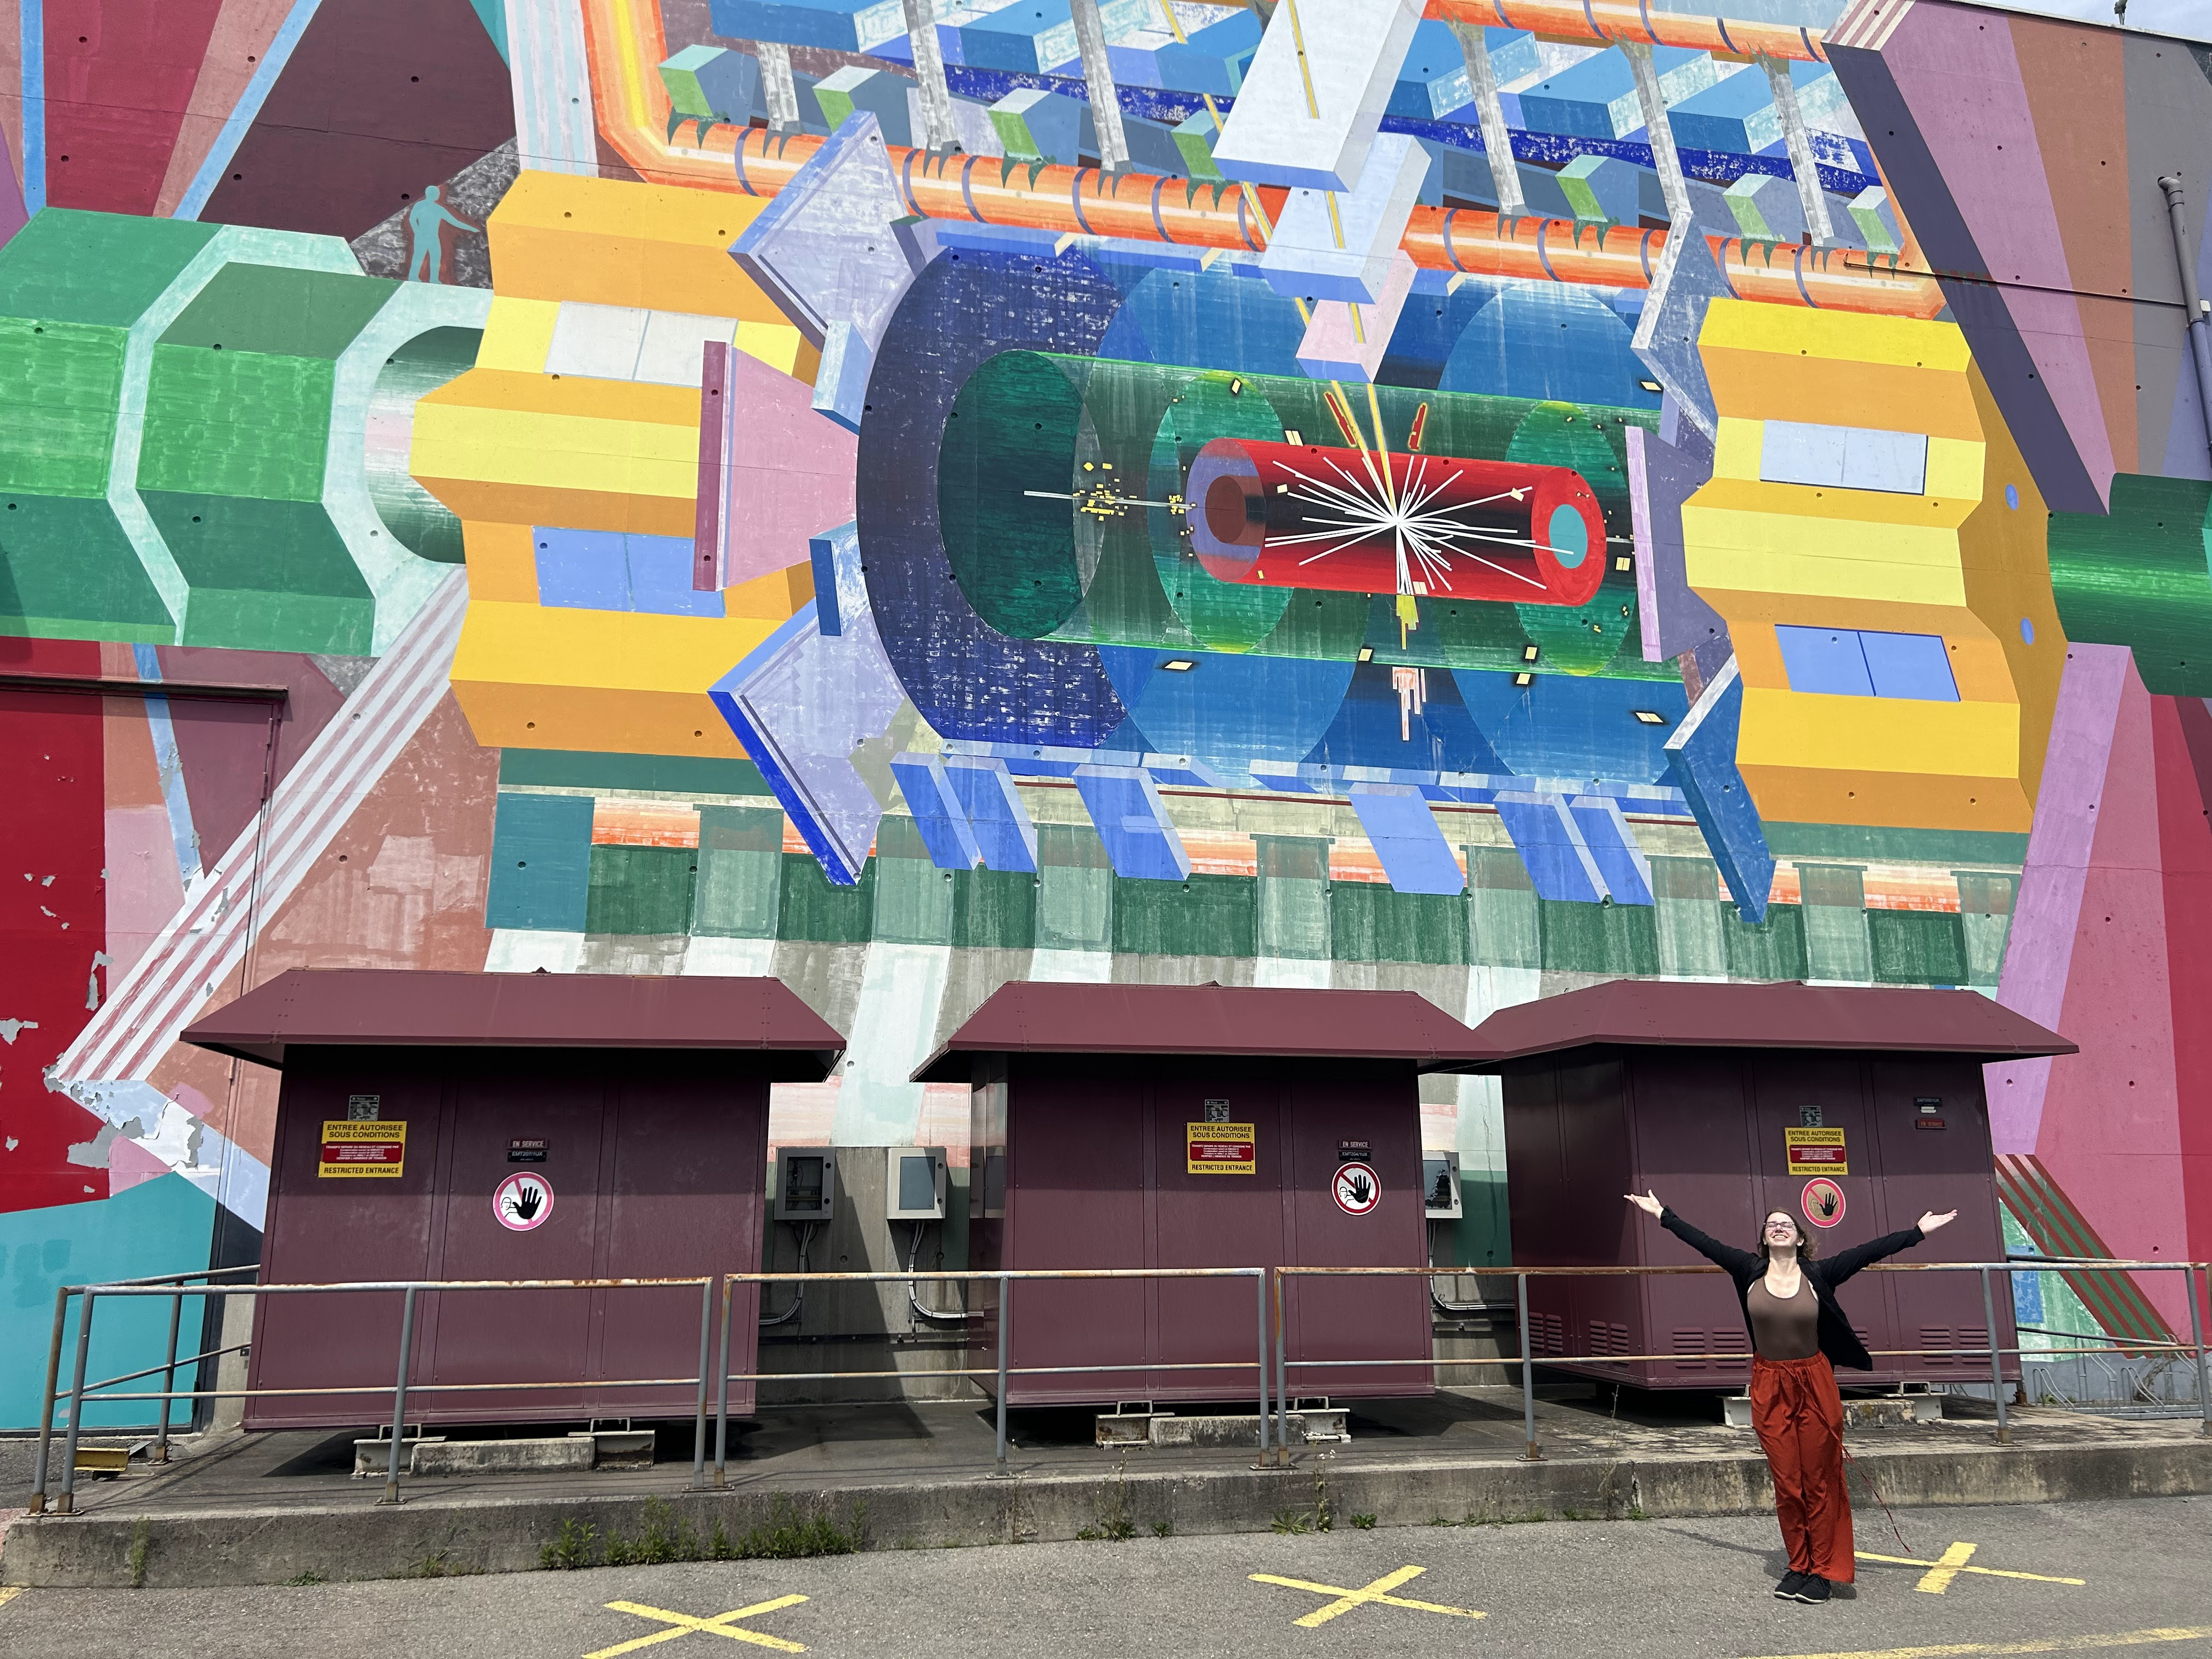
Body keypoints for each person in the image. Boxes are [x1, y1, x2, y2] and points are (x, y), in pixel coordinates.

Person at [1624, 1189, 1957, 1606]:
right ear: (1764, 1238)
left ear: (1800, 1237)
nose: (1778, 1227)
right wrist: (1662, 1214)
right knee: (1787, 1482)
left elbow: (1868, 1252)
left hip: (1814, 1381)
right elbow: (1704, 1242)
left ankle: (1823, 1571)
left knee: (1818, 1480)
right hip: (1769, 1382)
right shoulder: (1747, 1270)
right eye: (1771, 1224)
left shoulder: (1821, 1273)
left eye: (1787, 1224)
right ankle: (1798, 1565)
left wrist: (1917, 1233)